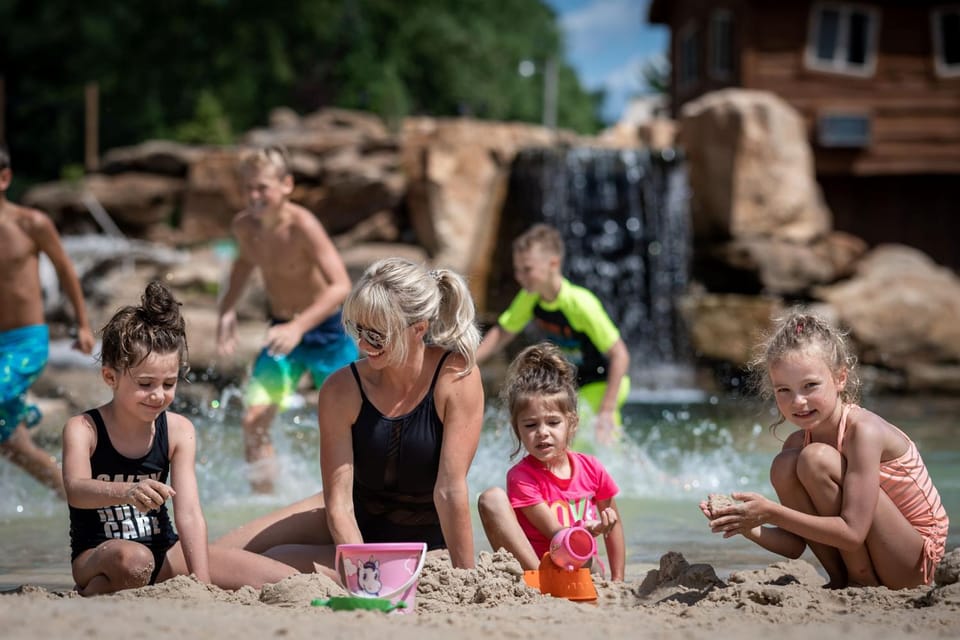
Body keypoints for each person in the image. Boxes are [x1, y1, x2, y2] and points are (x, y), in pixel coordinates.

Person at [214, 257, 484, 571]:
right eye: (359, 329)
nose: (363, 343)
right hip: (349, 522)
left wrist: (466, 577)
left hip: (422, 547)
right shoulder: (341, 388)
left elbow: (450, 491)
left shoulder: (457, 376)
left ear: (418, 329)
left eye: (378, 334)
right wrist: (364, 567)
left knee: (273, 563)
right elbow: (339, 504)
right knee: (209, 557)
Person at [62, 281, 300, 596]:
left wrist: (202, 585)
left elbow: (188, 512)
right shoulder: (83, 428)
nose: (158, 395)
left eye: (169, 383)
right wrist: (127, 491)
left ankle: (103, 591)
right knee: (133, 560)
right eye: (145, 383)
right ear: (111, 377)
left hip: (165, 552)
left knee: (284, 579)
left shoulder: (178, 430)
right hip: (99, 554)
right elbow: (76, 491)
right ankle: (98, 586)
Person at [701, 309, 949, 590]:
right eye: (784, 390)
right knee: (785, 466)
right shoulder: (797, 444)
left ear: (840, 378)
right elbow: (794, 545)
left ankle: (859, 578)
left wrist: (770, 511)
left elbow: (853, 533)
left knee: (815, 459)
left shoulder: (863, 431)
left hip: (915, 564)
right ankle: (846, 579)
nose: (798, 401)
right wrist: (746, 525)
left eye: (810, 386)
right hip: (871, 557)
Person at [217, 144, 358, 493]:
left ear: (286, 185)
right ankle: (266, 503)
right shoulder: (244, 227)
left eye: (262, 187)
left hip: (327, 334)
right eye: (248, 187)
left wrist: (299, 326)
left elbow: (341, 285)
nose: (254, 195)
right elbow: (243, 265)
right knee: (254, 419)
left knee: (354, 424)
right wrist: (226, 310)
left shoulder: (303, 226)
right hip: (282, 332)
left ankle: (358, 498)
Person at [477, 342, 625, 580]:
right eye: (531, 425)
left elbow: (614, 526)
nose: (542, 432)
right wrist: (584, 530)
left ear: (571, 423)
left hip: (582, 565)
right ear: (517, 430)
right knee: (491, 498)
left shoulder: (592, 468)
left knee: (584, 554)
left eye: (553, 423)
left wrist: (618, 579)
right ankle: (538, 578)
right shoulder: (521, 476)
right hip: (541, 566)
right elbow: (555, 532)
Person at [476, 223, 630, 447]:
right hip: (576, 383)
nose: (520, 277)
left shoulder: (580, 304)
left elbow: (620, 355)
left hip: (604, 382)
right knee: (566, 440)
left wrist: (607, 410)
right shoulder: (531, 296)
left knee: (587, 443)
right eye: (517, 270)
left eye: (527, 269)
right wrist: (468, 361)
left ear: (553, 264)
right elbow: (502, 331)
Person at [1, 143, 95, 497]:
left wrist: (83, 325)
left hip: (27, 341)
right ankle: (77, 498)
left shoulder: (32, 224)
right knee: (13, 445)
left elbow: (66, 273)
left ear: (5, 178)